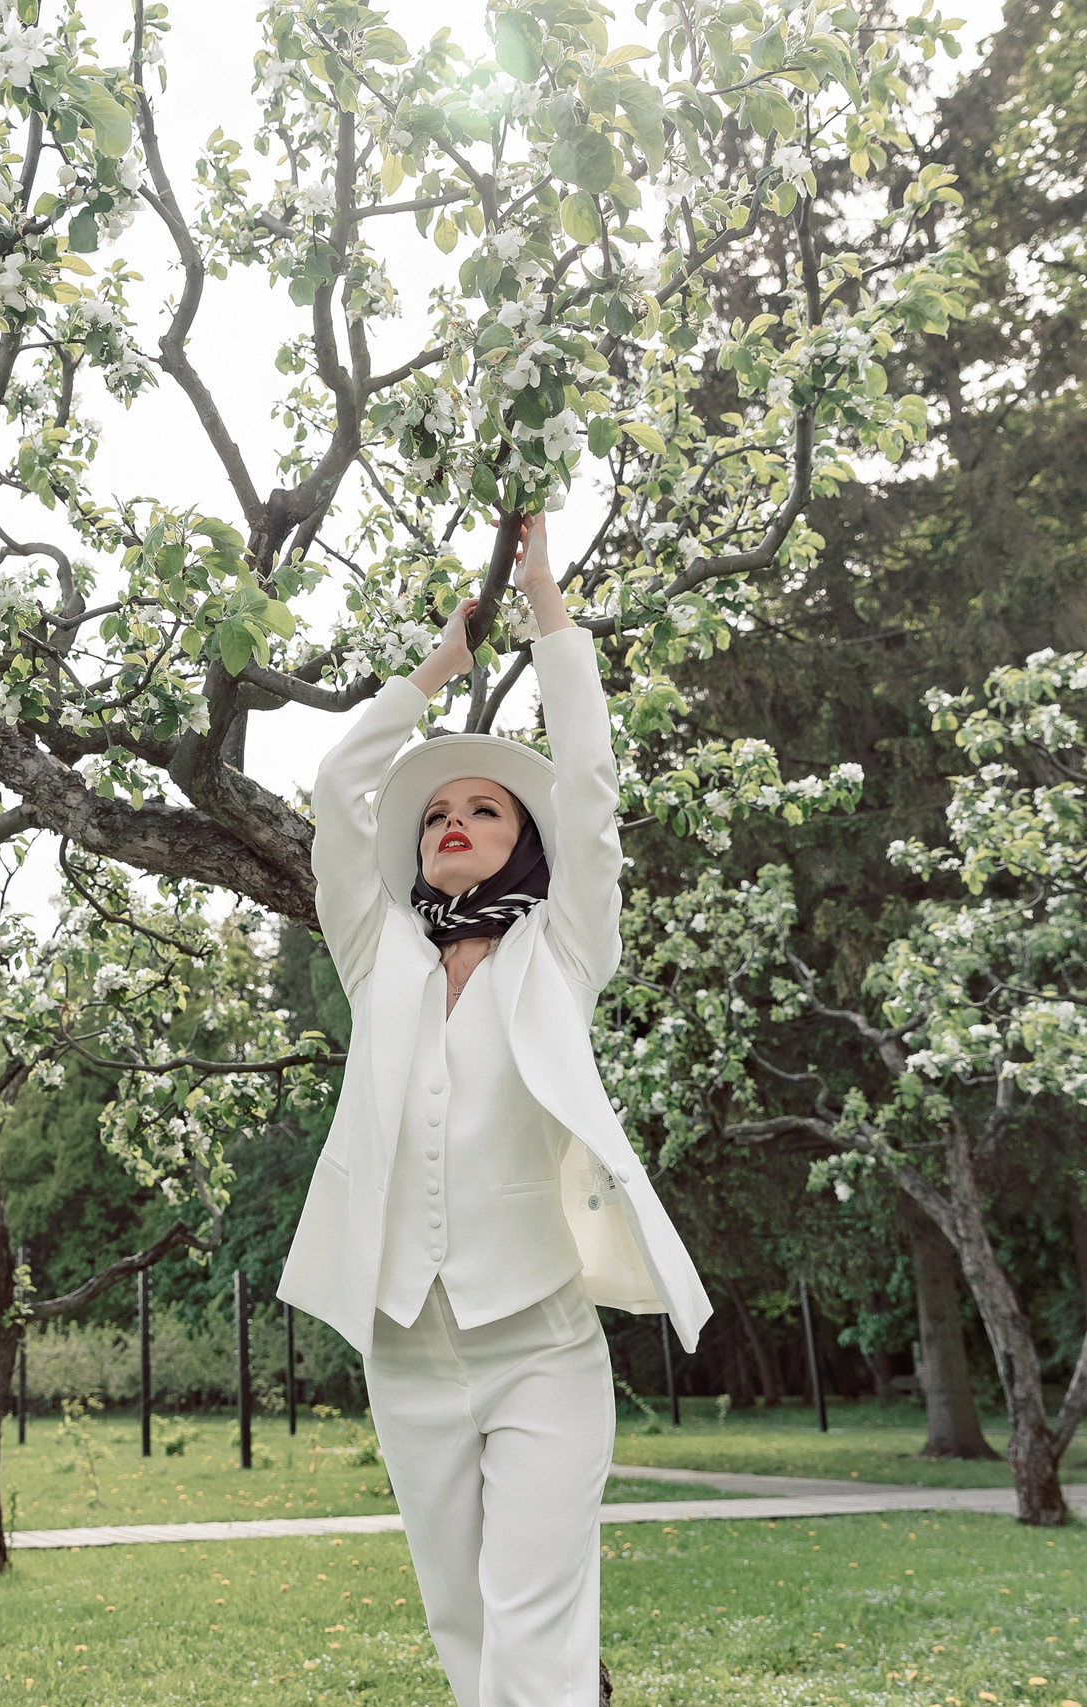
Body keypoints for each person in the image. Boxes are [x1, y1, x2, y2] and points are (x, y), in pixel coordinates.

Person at [278, 514, 713, 1707]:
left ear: (523, 844)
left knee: (533, 1621)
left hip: (538, 1341)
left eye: (484, 809)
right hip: (405, 1342)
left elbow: (591, 791)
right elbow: (332, 787)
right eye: (433, 815)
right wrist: (431, 677)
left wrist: (547, 614)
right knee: (460, 1621)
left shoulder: (562, 948)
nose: (452, 820)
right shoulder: (376, 952)